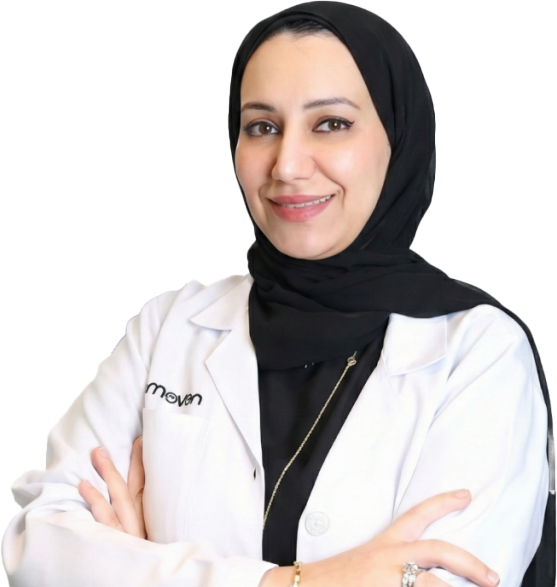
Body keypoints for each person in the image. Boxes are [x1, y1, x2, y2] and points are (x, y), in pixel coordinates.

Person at [1, 2, 554, 586]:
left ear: (398, 137)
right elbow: (39, 546)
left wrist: (135, 565)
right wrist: (291, 582)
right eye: (262, 127)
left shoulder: (479, 351)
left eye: (331, 124)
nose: (286, 166)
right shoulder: (169, 328)